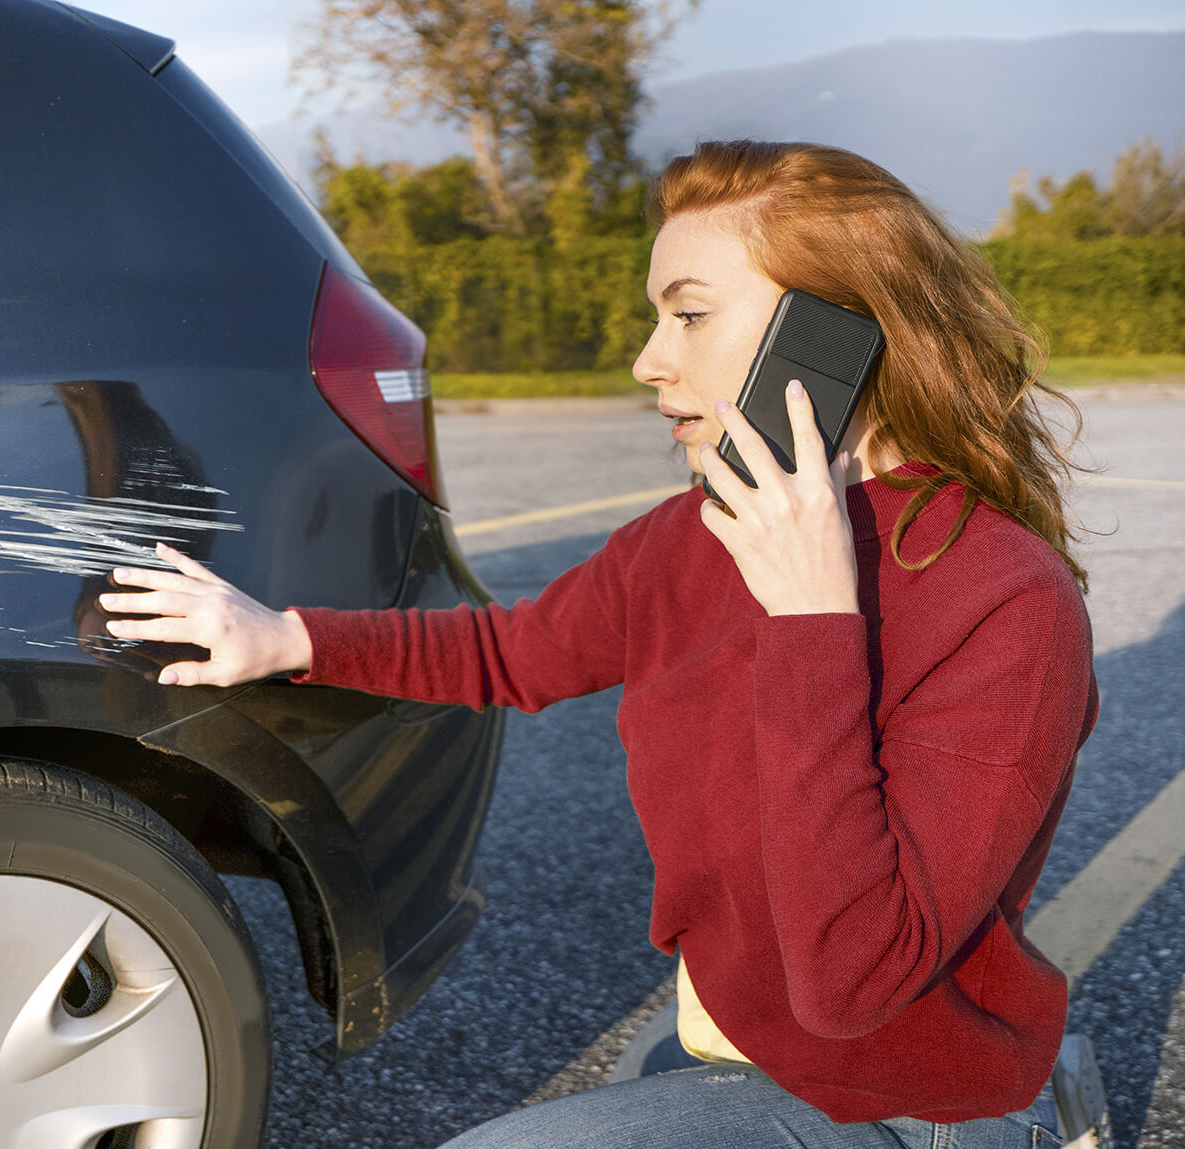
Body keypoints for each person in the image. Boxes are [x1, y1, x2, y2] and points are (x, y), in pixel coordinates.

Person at [97, 139, 1098, 1148]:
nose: (647, 359)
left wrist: (812, 619)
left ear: (835, 333)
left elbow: (856, 979)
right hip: (730, 1039)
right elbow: (513, 652)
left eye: (690, 314)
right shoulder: (684, 539)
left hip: (897, 1096)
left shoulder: (1003, 596)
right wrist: (284, 637)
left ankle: (1025, 1092)